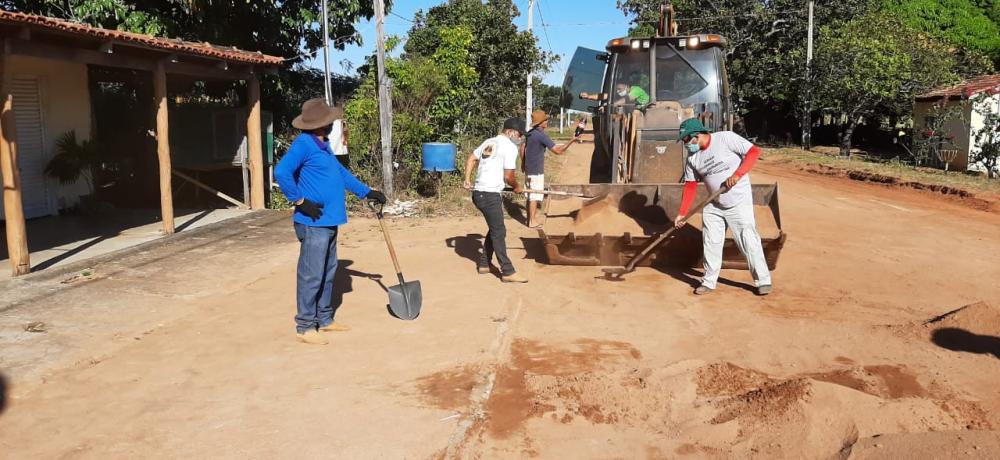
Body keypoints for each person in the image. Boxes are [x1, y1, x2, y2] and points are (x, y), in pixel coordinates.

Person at [275, 98, 387, 345]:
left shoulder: (322, 144)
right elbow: (281, 172)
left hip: (329, 220)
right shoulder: (304, 144)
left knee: (327, 272)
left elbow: (340, 174)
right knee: (311, 274)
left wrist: (366, 191)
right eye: (329, 122)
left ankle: (324, 319)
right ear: (320, 124)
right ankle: (305, 326)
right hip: (313, 222)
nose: (332, 125)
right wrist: (299, 200)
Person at [673, 118, 773, 296]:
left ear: (697, 135)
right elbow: (690, 186)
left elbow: (754, 152)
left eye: (686, 139)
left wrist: (737, 174)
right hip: (714, 204)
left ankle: (763, 280)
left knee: (748, 240)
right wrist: (682, 213)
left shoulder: (725, 138)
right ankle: (709, 281)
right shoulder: (692, 159)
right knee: (711, 242)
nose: (685, 144)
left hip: (738, 201)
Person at [463, 117, 529, 283]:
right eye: (519, 134)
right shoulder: (509, 147)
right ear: (510, 132)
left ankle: (484, 263)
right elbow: (509, 176)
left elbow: (471, 158)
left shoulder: (489, 142)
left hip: (480, 193)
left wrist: (467, 179)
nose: (520, 138)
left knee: (495, 228)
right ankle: (507, 271)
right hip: (489, 195)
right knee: (499, 231)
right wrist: (516, 187)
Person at [522, 109, 581, 227]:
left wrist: (523, 163)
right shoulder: (541, 136)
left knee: (529, 195)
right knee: (534, 195)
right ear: (540, 123)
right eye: (545, 120)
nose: (547, 122)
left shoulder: (530, 133)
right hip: (536, 170)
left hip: (529, 169)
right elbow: (558, 151)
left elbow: (523, 147)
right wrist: (572, 140)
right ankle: (532, 221)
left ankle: (530, 219)